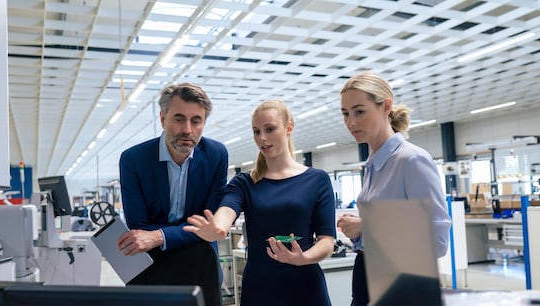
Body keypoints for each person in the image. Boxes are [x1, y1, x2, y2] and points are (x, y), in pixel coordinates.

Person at [184, 99, 336, 306]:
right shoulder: (245, 182)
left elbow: (327, 241)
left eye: (270, 129)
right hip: (261, 287)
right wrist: (217, 227)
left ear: (288, 128)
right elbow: (227, 209)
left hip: (306, 285)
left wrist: (303, 258)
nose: (262, 138)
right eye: (256, 131)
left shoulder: (317, 179)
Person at [336, 71, 451, 306]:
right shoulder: (373, 163)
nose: (351, 122)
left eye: (360, 111)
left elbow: (437, 241)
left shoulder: (411, 160)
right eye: (346, 114)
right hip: (365, 273)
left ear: (386, 106)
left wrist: (367, 226)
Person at [117, 82, 228, 306]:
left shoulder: (216, 155)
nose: (187, 129)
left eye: (196, 120)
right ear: (162, 119)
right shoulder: (133, 160)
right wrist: (184, 232)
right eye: (178, 118)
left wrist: (159, 236)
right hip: (151, 264)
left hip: (200, 262)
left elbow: (208, 225)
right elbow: (139, 226)